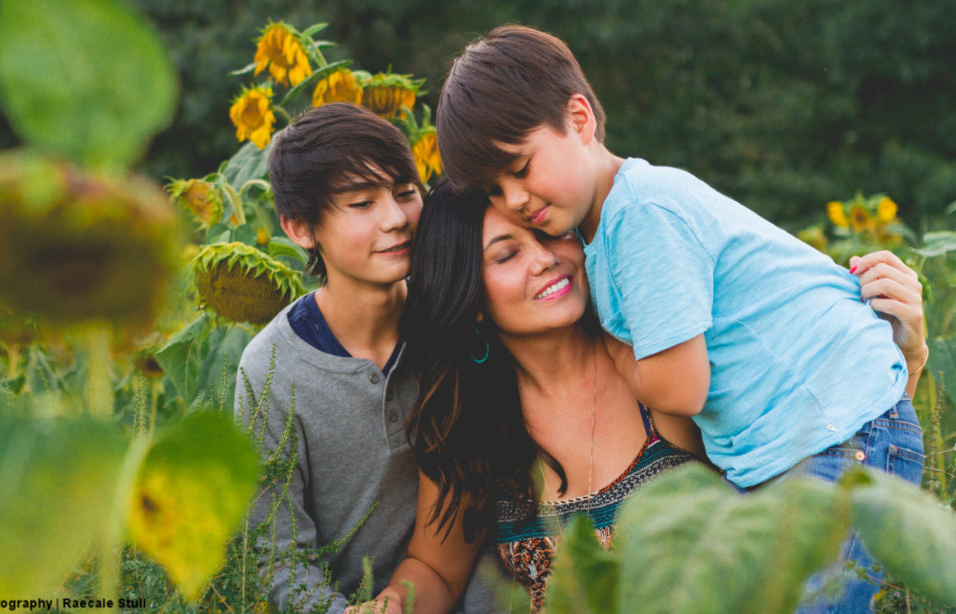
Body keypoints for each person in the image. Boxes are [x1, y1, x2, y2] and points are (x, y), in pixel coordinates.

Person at [433, 25, 928, 613]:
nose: (514, 197)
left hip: (841, 439)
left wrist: (622, 355)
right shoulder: (602, 240)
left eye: (521, 167)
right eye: (497, 186)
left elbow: (680, 386)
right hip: (806, 446)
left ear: (581, 119)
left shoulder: (642, 213)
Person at [351, 182, 928, 613]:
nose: (545, 258)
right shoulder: (471, 426)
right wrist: (391, 603)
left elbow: (827, 457)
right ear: (469, 297)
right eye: (506, 255)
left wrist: (908, 356)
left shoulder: (665, 367)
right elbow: (435, 570)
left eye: (549, 235)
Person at [234, 104, 493, 614]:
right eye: (362, 203)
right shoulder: (269, 372)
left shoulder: (459, 321)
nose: (396, 219)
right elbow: (275, 556)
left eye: (404, 193)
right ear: (300, 228)